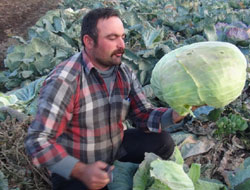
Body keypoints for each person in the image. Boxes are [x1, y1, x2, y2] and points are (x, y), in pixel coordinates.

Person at [25, 7, 191, 190]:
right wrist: (81, 171)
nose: (122, 45)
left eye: (123, 37)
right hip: (76, 165)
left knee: (163, 142)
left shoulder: (123, 71)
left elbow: (142, 113)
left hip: (114, 148)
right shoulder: (65, 82)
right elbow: (37, 141)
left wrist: (175, 114)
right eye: (112, 38)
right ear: (88, 41)